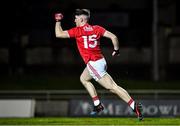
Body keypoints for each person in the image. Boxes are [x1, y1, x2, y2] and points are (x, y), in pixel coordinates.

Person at [54, 9, 143, 120]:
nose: (74, 20)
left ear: (81, 19)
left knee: (113, 87)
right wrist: (116, 50)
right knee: (83, 78)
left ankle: (134, 106)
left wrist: (58, 21)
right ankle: (97, 105)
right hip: (101, 61)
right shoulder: (97, 28)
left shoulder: (77, 31)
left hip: (93, 64)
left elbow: (58, 34)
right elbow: (114, 37)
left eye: (76, 18)